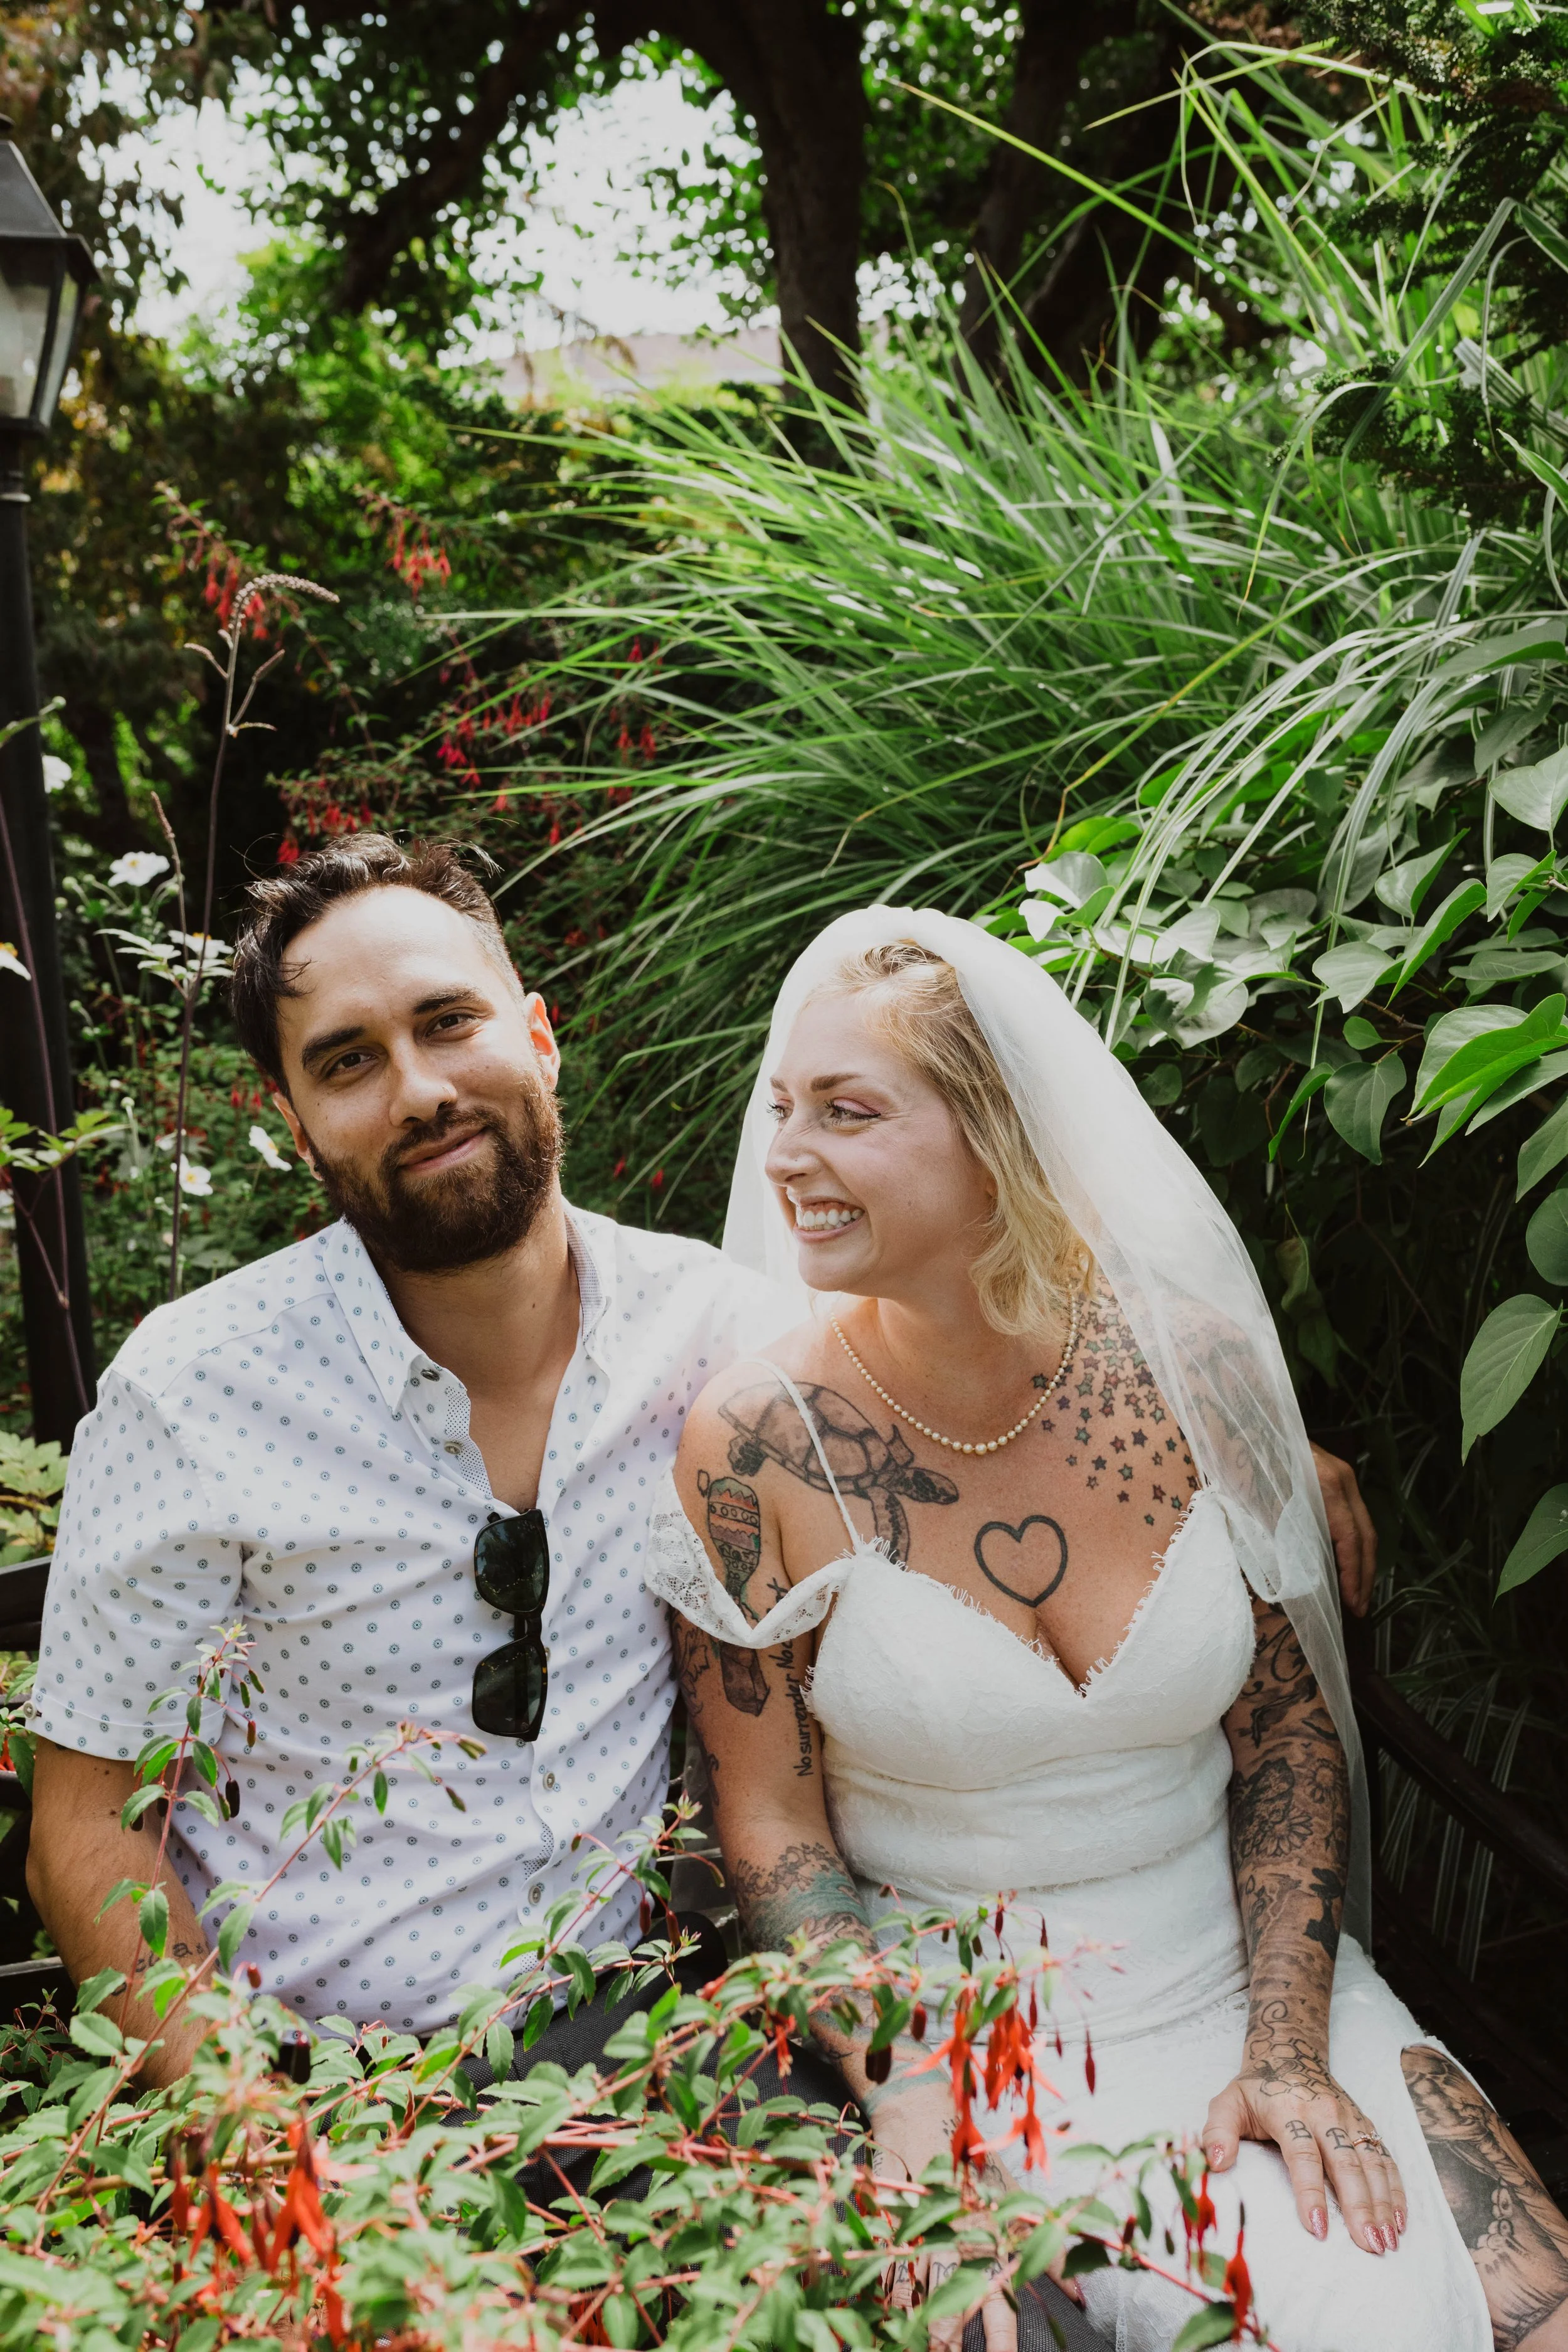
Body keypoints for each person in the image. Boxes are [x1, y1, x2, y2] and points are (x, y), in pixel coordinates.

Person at [22, 837, 1372, 2112]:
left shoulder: (721, 1339)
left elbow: (985, 1367)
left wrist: (1240, 1452)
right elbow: (87, 1834)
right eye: (347, 1061)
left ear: (536, 1036)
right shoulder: (194, 1392)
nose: (421, 1088)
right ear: (298, 1119)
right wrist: (256, 2140)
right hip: (323, 2086)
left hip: (663, 2056)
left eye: (448, 1023)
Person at [647, 906, 1568, 2352]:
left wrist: (1285, 2048)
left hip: (1255, 1975)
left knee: (1529, 2310)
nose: (784, 1160)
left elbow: (1282, 1729)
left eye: (846, 1112)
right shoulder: (758, 1447)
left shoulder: (1187, 1367)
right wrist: (901, 2097)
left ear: (993, 1137)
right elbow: (769, 1825)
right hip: (985, 2043)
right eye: (783, 1110)